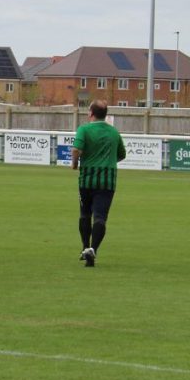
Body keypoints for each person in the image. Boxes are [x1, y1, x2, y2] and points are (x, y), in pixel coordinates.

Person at [71, 99, 126, 268]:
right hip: (107, 182)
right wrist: (107, 161)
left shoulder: (84, 129)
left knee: (85, 214)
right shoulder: (114, 132)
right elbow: (122, 154)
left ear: (91, 113)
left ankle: (85, 247)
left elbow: (76, 149)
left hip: (87, 179)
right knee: (100, 217)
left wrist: (74, 164)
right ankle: (92, 249)